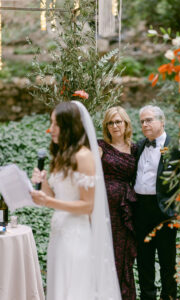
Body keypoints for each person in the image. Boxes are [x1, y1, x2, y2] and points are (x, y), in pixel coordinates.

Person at [31, 101, 122, 300]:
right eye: (51, 123)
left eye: (56, 124)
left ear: (69, 126)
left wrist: (48, 202)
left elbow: (87, 206)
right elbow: (56, 198)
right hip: (59, 235)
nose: (51, 129)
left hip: (77, 237)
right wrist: (43, 183)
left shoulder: (84, 156)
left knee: (75, 291)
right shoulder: (62, 156)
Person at [134, 105, 179, 300]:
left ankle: (169, 296)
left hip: (164, 211)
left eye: (149, 120)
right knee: (144, 262)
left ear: (162, 121)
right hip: (140, 209)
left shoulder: (176, 147)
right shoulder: (139, 146)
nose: (145, 124)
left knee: (167, 262)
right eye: (142, 121)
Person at [98, 106, 137, 300]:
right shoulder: (100, 146)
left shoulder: (135, 148)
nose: (115, 126)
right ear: (106, 126)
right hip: (103, 211)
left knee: (122, 256)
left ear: (126, 124)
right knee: (104, 253)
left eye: (118, 121)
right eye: (110, 122)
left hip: (124, 210)